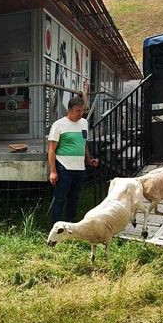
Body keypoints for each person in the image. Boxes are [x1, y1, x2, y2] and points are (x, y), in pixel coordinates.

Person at [47, 95, 99, 226]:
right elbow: (52, 149)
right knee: (60, 199)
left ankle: (69, 225)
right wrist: (53, 171)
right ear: (69, 110)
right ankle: (55, 227)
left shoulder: (84, 123)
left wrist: (89, 159)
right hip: (63, 167)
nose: (81, 114)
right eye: (78, 111)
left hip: (79, 169)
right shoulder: (58, 125)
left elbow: (83, 144)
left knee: (74, 199)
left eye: (83, 111)